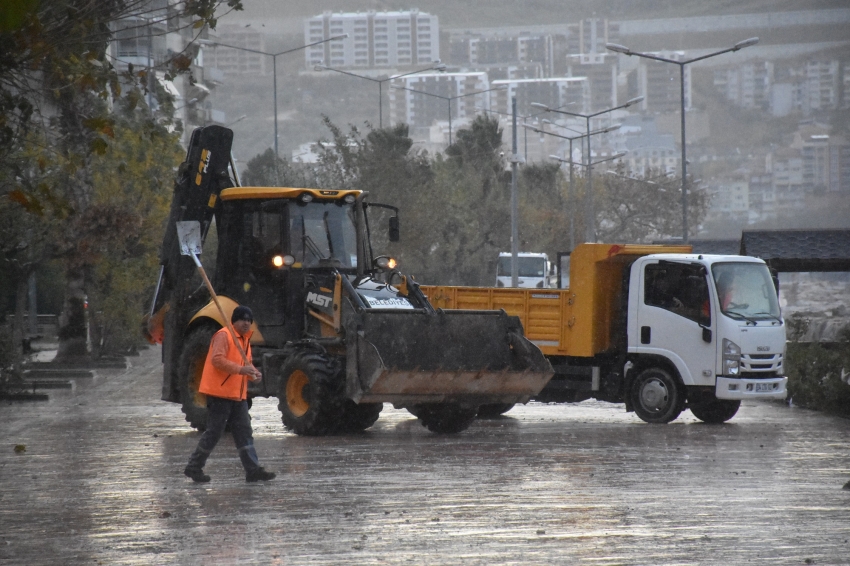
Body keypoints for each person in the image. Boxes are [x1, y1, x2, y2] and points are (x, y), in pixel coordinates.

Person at [184, 305, 276, 483]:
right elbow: (217, 360)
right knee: (214, 432)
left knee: (244, 431)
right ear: (234, 321)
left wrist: (253, 375)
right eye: (243, 319)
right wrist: (242, 369)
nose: (247, 323)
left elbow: (246, 366)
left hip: (237, 395)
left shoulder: (245, 340)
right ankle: (194, 467)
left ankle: (252, 470)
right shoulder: (224, 335)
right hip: (219, 393)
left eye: (249, 320)